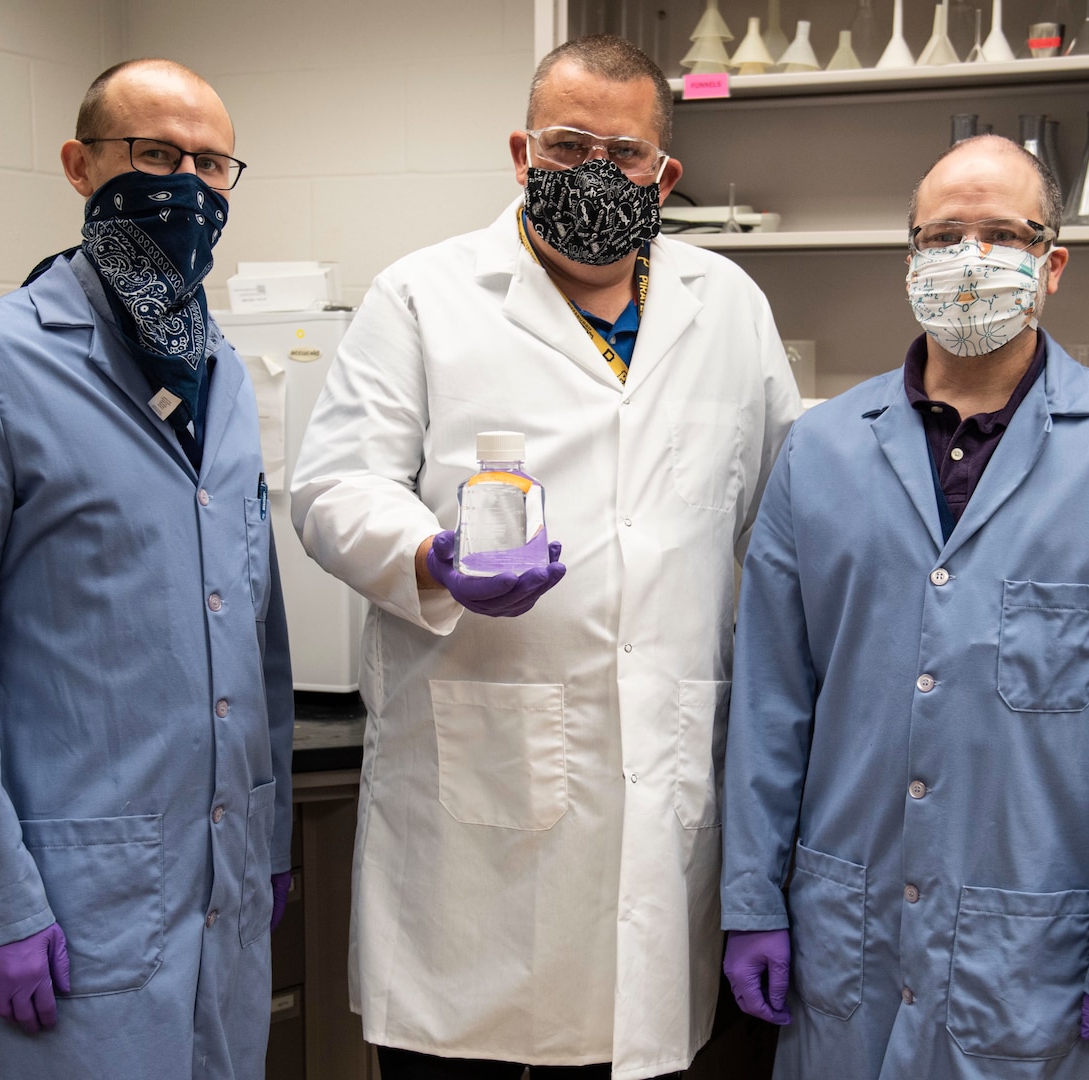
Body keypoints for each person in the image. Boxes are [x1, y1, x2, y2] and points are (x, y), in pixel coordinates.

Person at [289, 34, 801, 1080]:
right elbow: (332, 487)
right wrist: (430, 557)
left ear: (667, 175)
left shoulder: (730, 307)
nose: (597, 174)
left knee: (641, 1039)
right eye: (570, 146)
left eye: (626, 155)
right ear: (521, 151)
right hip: (475, 810)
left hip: (662, 795)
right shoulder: (424, 296)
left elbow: (783, 517)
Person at [719, 134, 1089, 1079]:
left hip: (1033, 961)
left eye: (1003, 233)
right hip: (848, 941)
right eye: (944, 235)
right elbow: (768, 700)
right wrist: (752, 898)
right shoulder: (822, 449)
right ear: (910, 260)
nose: (971, 258)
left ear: (1053, 264)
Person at [0, 58, 294, 1080]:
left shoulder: (223, 373)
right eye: (154, 155)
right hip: (77, 906)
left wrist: (272, 835)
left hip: (223, 887)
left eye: (211, 163)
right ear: (79, 165)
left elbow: (257, 627)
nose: (187, 186)